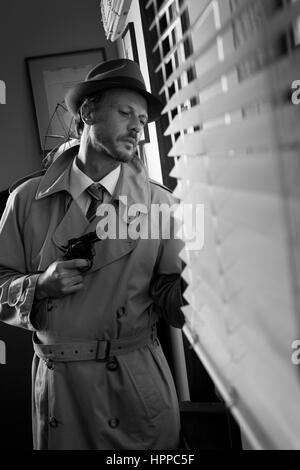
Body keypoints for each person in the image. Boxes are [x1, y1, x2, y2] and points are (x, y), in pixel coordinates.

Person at [0, 59, 185, 450]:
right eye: (125, 113)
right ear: (87, 112)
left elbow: (173, 301)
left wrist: (204, 281)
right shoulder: (25, 201)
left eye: (141, 118)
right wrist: (40, 285)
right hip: (63, 395)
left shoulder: (162, 205)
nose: (137, 127)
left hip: (136, 390)